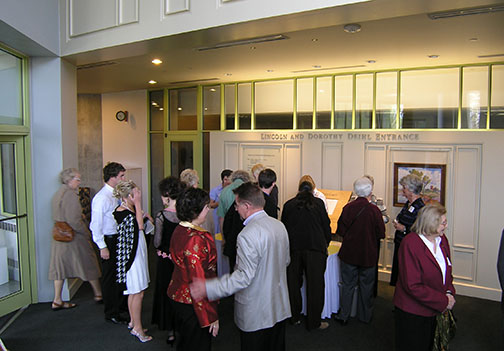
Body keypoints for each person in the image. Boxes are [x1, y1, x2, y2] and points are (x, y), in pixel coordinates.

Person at [191, 182, 291, 351]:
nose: (235, 209)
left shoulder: (246, 235)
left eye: (236, 205)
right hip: (279, 306)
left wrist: (209, 288)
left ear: (247, 206)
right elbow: (286, 261)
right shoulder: (279, 225)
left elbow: (243, 277)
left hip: (256, 312)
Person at [393, 204, 455, 351]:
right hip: (414, 313)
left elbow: (447, 270)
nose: (446, 226)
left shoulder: (442, 240)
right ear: (431, 223)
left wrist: (449, 292)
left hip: (435, 309)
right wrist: (443, 301)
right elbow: (412, 286)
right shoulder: (411, 244)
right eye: (443, 223)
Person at [168, 187, 219, 351]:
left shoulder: (181, 229)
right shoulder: (196, 239)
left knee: (186, 341)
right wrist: (209, 316)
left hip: (179, 294)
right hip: (193, 302)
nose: (208, 210)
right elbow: (198, 280)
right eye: (206, 207)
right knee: (197, 343)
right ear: (196, 211)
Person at [49, 168, 102, 310]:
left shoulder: (57, 194)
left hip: (59, 237)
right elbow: (74, 220)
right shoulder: (70, 196)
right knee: (89, 263)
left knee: (59, 269)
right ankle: (98, 294)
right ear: (69, 180)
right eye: (77, 179)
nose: (79, 182)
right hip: (74, 237)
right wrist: (86, 232)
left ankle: (57, 300)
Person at [281, 180, 331, 330]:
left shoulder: (288, 204)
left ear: (298, 189)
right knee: (315, 286)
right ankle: (314, 322)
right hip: (315, 249)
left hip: (294, 249)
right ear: (312, 190)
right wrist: (325, 243)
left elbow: (284, 227)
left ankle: (294, 317)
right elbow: (326, 227)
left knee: (293, 284)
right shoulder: (319, 204)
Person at [335, 177, 385, 325]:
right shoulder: (374, 211)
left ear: (356, 190)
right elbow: (381, 233)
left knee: (347, 285)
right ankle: (365, 316)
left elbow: (340, 231)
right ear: (370, 191)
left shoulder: (347, 208)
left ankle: (344, 315)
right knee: (366, 287)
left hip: (349, 254)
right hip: (368, 255)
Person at [112, 181, 151, 342]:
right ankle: (138, 328)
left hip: (136, 253)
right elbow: (139, 227)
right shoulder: (125, 214)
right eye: (136, 193)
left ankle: (133, 322)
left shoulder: (127, 211)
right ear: (128, 196)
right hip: (133, 258)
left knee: (134, 292)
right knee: (137, 292)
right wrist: (138, 203)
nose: (138, 196)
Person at [90, 162, 128, 324]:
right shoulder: (101, 198)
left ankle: (120, 306)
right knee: (109, 278)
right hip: (108, 240)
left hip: (118, 237)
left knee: (119, 274)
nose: (123, 178)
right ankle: (111, 311)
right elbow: (95, 225)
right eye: (121, 176)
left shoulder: (116, 194)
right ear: (112, 177)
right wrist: (102, 246)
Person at [151, 177, 186, 345]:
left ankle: (170, 331)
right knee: (181, 292)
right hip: (181, 262)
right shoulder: (184, 215)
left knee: (166, 292)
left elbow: (157, 242)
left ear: (166, 195)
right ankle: (182, 326)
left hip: (165, 262)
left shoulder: (161, 216)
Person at [390, 174, 425, 286]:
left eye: (404, 187)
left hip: (410, 247)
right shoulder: (408, 204)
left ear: (411, 189)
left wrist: (404, 228)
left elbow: (420, 229)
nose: (402, 190)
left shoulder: (420, 206)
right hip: (401, 243)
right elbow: (401, 217)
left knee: (405, 276)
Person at [216, 170, 251, 234]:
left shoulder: (224, 191)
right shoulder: (250, 190)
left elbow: (221, 218)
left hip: (229, 227)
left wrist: (223, 237)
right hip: (246, 228)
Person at [209, 169, 232, 234]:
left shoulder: (233, 190)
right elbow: (211, 205)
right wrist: (221, 201)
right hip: (217, 217)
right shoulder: (215, 190)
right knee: (218, 235)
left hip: (229, 216)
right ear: (224, 179)